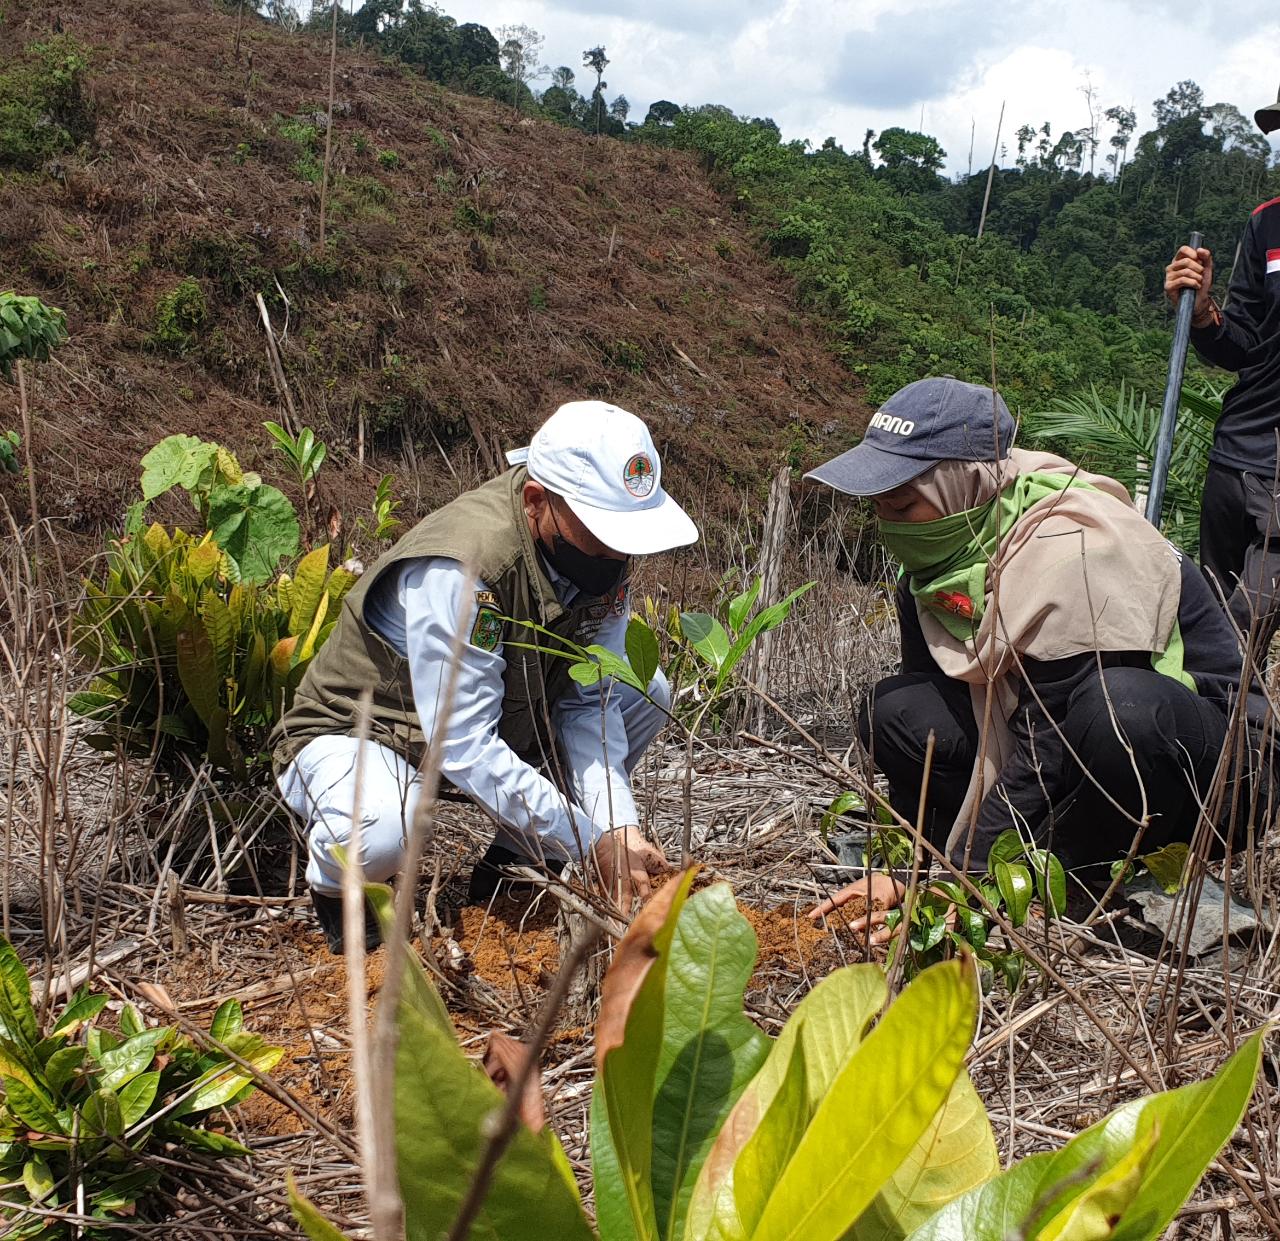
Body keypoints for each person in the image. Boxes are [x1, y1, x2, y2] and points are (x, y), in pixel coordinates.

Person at [803, 377, 1259, 940]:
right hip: (1058, 738)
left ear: (965, 487)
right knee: (897, 707)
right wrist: (910, 870)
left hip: (1203, 764)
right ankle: (1043, 858)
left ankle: (1086, 872)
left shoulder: (1074, 547)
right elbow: (946, 701)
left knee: (1118, 709)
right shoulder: (939, 564)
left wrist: (966, 882)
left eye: (900, 504)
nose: (888, 523)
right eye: (876, 506)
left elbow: (1054, 739)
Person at [270, 401, 697, 951]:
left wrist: (618, 826)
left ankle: (516, 864)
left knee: (648, 691)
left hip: (493, 717)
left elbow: (591, 702)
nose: (615, 554)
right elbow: (464, 745)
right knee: (379, 836)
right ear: (536, 502)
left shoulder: (597, 560)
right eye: (600, 533)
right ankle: (339, 893)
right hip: (368, 730)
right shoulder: (466, 569)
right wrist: (588, 842)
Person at [1163, 88, 1280, 653]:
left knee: (1244, 630)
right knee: (1204, 623)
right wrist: (1205, 309)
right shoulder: (1267, 224)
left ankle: (1243, 736)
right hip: (1234, 458)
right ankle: (1204, 739)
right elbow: (1245, 345)